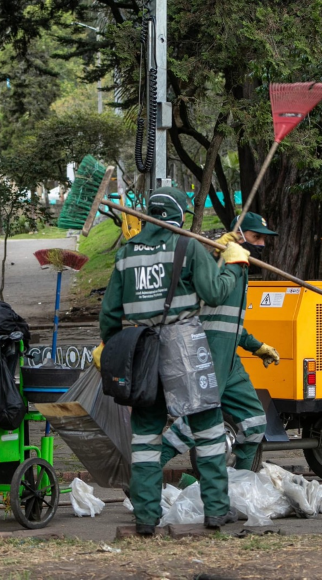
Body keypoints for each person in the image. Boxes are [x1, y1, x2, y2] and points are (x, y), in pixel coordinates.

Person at [93, 187, 250, 535]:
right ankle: (215, 511)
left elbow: (110, 314)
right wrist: (234, 264)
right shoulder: (187, 245)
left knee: (146, 438)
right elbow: (214, 293)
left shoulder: (126, 254)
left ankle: (146, 517)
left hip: (141, 351)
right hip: (184, 349)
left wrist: (110, 346)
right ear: (179, 214)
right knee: (208, 430)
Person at [160, 212, 280, 472]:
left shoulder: (240, 268)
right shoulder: (223, 262)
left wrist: (256, 346)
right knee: (193, 424)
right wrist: (216, 254)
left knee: (255, 423)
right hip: (207, 354)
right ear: (239, 236)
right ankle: (140, 476)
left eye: (263, 240)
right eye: (255, 237)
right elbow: (205, 289)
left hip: (229, 361)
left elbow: (229, 324)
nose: (261, 244)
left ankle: (241, 488)